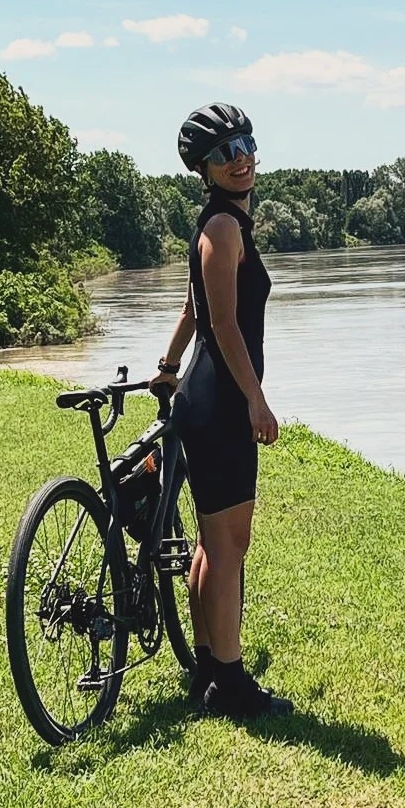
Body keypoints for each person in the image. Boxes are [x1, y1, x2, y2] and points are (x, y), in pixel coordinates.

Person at [150, 102, 294, 719]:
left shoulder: (220, 224)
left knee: (214, 544)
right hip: (222, 402)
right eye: (223, 154)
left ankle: (210, 667)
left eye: (245, 145)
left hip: (207, 394)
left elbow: (192, 311)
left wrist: (167, 365)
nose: (240, 159)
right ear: (204, 169)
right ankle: (231, 685)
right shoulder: (224, 228)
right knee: (228, 544)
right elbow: (225, 323)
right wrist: (256, 400)